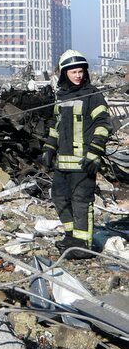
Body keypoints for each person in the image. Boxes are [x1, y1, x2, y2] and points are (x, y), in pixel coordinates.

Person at [41, 50, 110, 260]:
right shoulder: (60, 97)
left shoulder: (93, 95)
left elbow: (103, 125)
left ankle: (83, 245)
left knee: (81, 201)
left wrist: (94, 153)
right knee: (60, 198)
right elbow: (55, 126)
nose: (78, 75)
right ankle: (71, 236)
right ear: (64, 74)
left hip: (84, 161)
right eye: (73, 72)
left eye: (81, 71)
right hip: (63, 162)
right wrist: (49, 149)